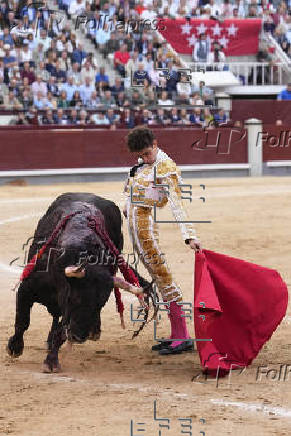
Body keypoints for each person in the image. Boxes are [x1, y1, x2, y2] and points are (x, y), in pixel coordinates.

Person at [123, 127, 201, 355]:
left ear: (155, 144)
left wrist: (190, 235)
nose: (145, 158)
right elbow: (128, 188)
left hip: (147, 233)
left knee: (164, 278)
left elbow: (176, 202)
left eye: (147, 153)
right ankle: (177, 334)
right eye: (141, 155)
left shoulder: (166, 167)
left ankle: (183, 336)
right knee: (159, 278)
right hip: (137, 233)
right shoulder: (141, 165)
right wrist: (126, 203)